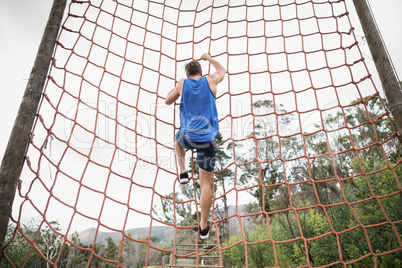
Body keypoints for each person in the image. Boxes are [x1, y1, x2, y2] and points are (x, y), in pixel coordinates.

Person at [165, 53, 225, 239]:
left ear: (188, 73)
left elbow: (167, 100)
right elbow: (222, 70)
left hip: (188, 137)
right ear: (200, 71)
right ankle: (204, 226)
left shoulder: (183, 83)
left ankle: (183, 172)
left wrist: (177, 89)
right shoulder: (211, 80)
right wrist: (209, 58)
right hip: (207, 139)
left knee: (177, 140)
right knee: (205, 184)